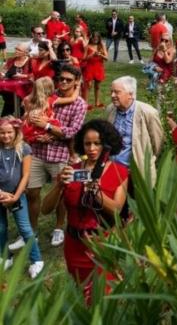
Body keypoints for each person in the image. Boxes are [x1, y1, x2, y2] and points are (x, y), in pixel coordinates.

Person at [41, 119, 128, 295]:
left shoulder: (119, 171)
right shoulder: (71, 171)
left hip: (103, 245)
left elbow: (117, 210)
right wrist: (59, 185)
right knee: (81, 296)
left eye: (97, 143)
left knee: (103, 297)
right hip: (75, 246)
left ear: (107, 144)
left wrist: (95, 191)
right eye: (87, 143)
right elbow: (45, 209)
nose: (92, 148)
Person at [24, 65, 87, 249]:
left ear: (76, 82)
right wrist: (38, 131)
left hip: (60, 155)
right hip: (37, 152)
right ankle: (32, 230)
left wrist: (48, 128)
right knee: (32, 193)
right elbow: (31, 113)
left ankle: (59, 227)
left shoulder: (79, 104)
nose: (63, 82)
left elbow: (72, 132)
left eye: (68, 80)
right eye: (61, 79)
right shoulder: (50, 96)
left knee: (60, 193)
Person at [0, 116, 43, 278]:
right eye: (2, 133)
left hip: (17, 195)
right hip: (0, 194)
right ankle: (5, 256)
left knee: (25, 228)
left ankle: (36, 260)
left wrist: (15, 196)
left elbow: (25, 175)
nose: (6, 136)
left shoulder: (24, 148)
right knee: (1, 228)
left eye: (9, 132)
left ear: (16, 132)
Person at [106, 76, 163, 185]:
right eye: (111, 91)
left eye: (117, 92)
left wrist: (145, 160)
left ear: (131, 95)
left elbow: (157, 143)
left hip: (137, 171)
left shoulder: (148, 113)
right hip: (113, 169)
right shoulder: (110, 109)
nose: (112, 95)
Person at [1, 43, 31, 117]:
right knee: (5, 116)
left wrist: (23, 76)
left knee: (20, 114)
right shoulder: (11, 60)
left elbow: (35, 75)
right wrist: (2, 74)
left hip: (24, 91)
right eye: (16, 49)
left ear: (25, 52)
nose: (16, 51)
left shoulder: (30, 62)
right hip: (10, 91)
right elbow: (4, 71)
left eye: (19, 50)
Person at [82, 32, 108, 108]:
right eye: (94, 38)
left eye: (97, 38)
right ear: (91, 38)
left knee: (97, 86)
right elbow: (84, 58)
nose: (95, 40)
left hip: (99, 67)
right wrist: (92, 55)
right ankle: (85, 104)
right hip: (89, 67)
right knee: (88, 86)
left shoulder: (101, 46)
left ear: (99, 39)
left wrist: (100, 55)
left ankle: (97, 102)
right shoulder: (88, 46)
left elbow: (106, 58)